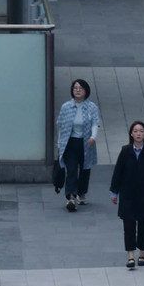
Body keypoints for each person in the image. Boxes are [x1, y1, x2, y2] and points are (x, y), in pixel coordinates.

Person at [109, 119, 144, 267]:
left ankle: (142, 254)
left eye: (141, 131)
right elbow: (118, 172)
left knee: (143, 224)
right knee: (128, 225)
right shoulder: (125, 151)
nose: (138, 134)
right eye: (135, 131)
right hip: (128, 194)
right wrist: (114, 192)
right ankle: (130, 256)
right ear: (131, 134)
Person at [56, 78, 101, 212]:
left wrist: (93, 137)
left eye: (80, 88)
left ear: (86, 91)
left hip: (86, 143)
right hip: (70, 142)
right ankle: (71, 196)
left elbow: (95, 123)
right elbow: (61, 126)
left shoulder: (92, 107)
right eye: (75, 88)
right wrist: (59, 143)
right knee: (71, 169)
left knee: (85, 168)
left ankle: (82, 193)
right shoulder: (66, 107)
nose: (78, 90)